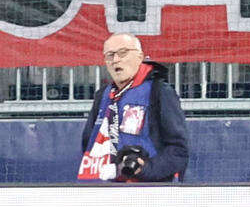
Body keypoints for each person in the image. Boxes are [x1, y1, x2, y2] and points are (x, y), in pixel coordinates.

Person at [76, 33, 190, 183]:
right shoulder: (102, 95)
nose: (115, 60)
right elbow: (88, 143)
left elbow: (179, 151)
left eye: (123, 53)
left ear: (140, 56)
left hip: (149, 191)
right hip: (104, 189)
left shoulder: (159, 92)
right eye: (109, 55)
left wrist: (146, 168)